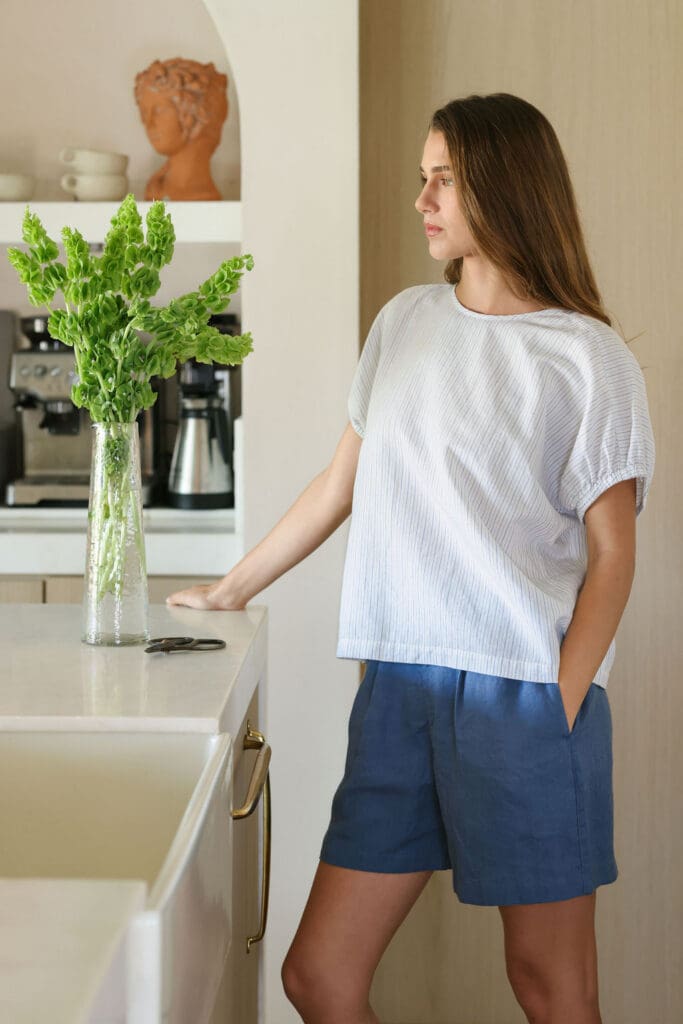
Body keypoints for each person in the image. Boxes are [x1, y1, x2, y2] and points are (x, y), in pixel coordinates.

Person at [166, 92, 656, 1024]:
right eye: (421, 176)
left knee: (552, 988)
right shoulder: (403, 323)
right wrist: (232, 587)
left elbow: (612, 555)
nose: (421, 197)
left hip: (521, 692)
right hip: (396, 688)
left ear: (501, 187)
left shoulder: (588, 360)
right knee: (318, 977)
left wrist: (556, 699)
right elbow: (340, 483)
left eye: (443, 178)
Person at [134, 57, 228, 200]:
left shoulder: (198, 194)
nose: (149, 123)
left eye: (160, 110)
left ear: (194, 113)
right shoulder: (156, 190)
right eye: (144, 113)